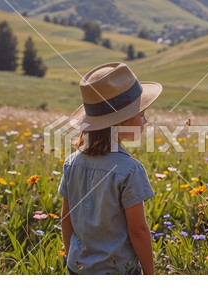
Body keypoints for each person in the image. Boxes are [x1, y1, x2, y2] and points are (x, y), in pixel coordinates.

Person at [58, 62, 163, 275]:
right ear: (123, 121)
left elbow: (66, 217)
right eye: (141, 114)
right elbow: (139, 230)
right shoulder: (130, 170)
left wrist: (72, 259)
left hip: (78, 268)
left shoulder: (71, 163)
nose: (146, 120)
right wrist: (151, 275)